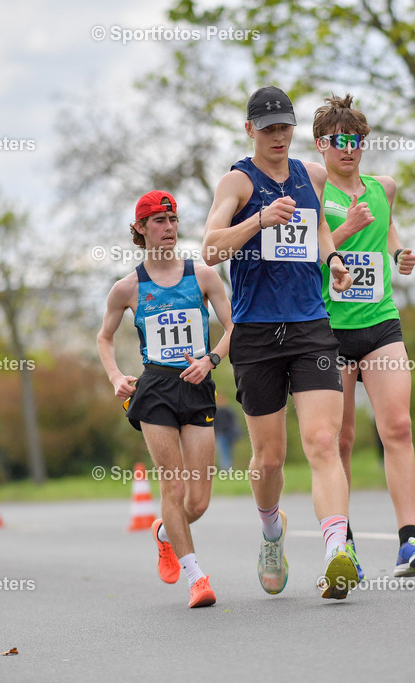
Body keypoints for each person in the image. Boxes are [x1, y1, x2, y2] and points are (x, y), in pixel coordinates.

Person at [201, 85, 359, 600]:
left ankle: (339, 549)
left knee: (322, 441)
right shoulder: (237, 182)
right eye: (268, 127)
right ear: (250, 130)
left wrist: (332, 260)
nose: (278, 135)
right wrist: (258, 219)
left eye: (285, 126)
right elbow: (210, 247)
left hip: (311, 324)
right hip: (256, 335)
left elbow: (320, 233)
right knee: (269, 459)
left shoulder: (310, 176)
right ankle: (272, 532)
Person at [312, 93, 415, 579]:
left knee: (399, 427)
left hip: (381, 320)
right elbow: (309, 255)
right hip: (330, 329)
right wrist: (344, 229)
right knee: (338, 441)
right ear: (321, 145)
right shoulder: (313, 191)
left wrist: (402, 253)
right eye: (338, 140)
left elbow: (389, 237)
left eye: (356, 140)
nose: (348, 148)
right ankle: (342, 548)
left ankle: (409, 542)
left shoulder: (382, 188)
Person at [97, 190, 233, 608]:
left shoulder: (204, 275)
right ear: (140, 229)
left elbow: (235, 327)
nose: (169, 228)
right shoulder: (127, 287)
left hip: (197, 385)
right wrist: (116, 375)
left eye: (172, 219)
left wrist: (211, 360)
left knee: (198, 500)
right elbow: (104, 338)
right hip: (154, 389)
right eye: (158, 221)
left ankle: (164, 533)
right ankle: (197, 577)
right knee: (172, 485)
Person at [213, 392, 240, 471]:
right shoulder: (217, 411)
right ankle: (226, 468)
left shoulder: (228, 410)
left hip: (229, 435)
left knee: (228, 452)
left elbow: (234, 423)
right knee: (224, 451)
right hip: (221, 434)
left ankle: (227, 468)